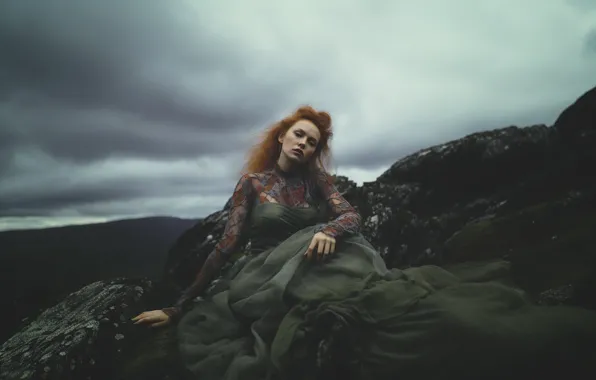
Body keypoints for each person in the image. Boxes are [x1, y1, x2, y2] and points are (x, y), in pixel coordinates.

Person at [132, 106, 596, 380]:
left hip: (319, 259)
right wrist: (177, 307)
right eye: (299, 134)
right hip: (263, 275)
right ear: (282, 134)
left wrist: (327, 229)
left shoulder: (317, 182)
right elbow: (225, 247)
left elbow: (351, 213)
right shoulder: (252, 185)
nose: (304, 144)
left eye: (313, 142)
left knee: (394, 306)